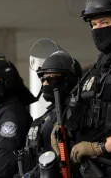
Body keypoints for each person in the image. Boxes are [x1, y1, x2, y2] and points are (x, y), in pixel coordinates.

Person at [51, 0, 111, 177]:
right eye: (94, 24)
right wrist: (59, 127)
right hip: (87, 169)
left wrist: (99, 147)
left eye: (104, 22)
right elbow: (75, 107)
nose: (98, 29)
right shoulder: (97, 70)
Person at [18, 40, 82, 178]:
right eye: (43, 78)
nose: (45, 83)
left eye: (51, 78)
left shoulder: (75, 113)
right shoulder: (50, 114)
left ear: (68, 80)